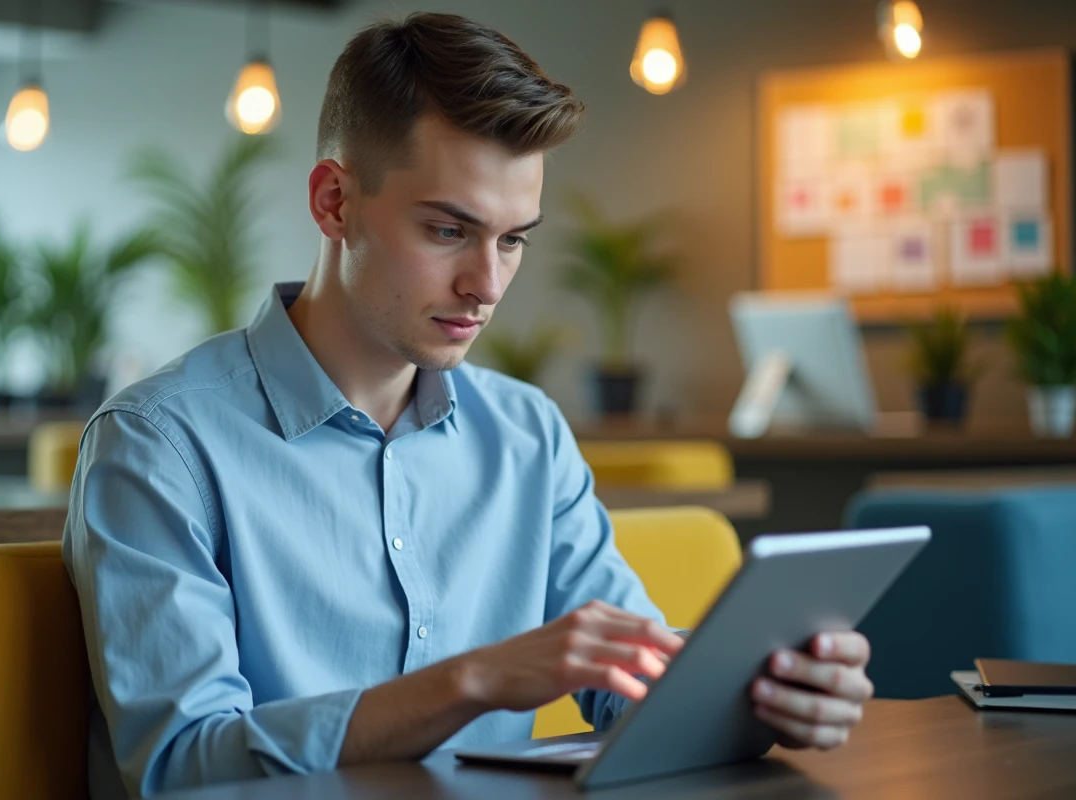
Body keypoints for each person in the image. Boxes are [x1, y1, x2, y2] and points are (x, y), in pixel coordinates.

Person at [63, 12, 873, 798]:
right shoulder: (158, 445)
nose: (486, 285)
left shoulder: (527, 435)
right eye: (449, 230)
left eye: (514, 239)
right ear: (333, 204)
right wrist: (476, 680)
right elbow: (183, 772)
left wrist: (764, 692)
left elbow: (631, 682)